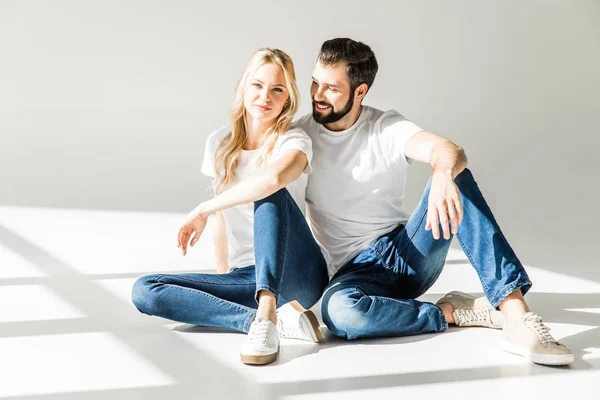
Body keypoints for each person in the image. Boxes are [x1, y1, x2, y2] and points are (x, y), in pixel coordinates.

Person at [294, 38, 574, 366]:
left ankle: (515, 315)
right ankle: (450, 312)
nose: (317, 95)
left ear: (360, 91)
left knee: (455, 172)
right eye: (315, 82)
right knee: (338, 312)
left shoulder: (384, 127)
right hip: (353, 272)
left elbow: (448, 150)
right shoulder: (302, 135)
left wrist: (442, 174)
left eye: (331, 88)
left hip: (407, 253)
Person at [131, 48, 329, 366]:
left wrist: (203, 209)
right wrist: (222, 280)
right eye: (257, 85)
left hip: (298, 272)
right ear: (244, 87)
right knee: (146, 290)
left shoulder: (293, 141)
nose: (265, 96)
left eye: (277, 89)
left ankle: (268, 311)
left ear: (287, 99)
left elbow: (274, 178)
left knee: (269, 190)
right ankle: (259, 321)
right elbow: (223, 226)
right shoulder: (219, 144)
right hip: (246, 276)